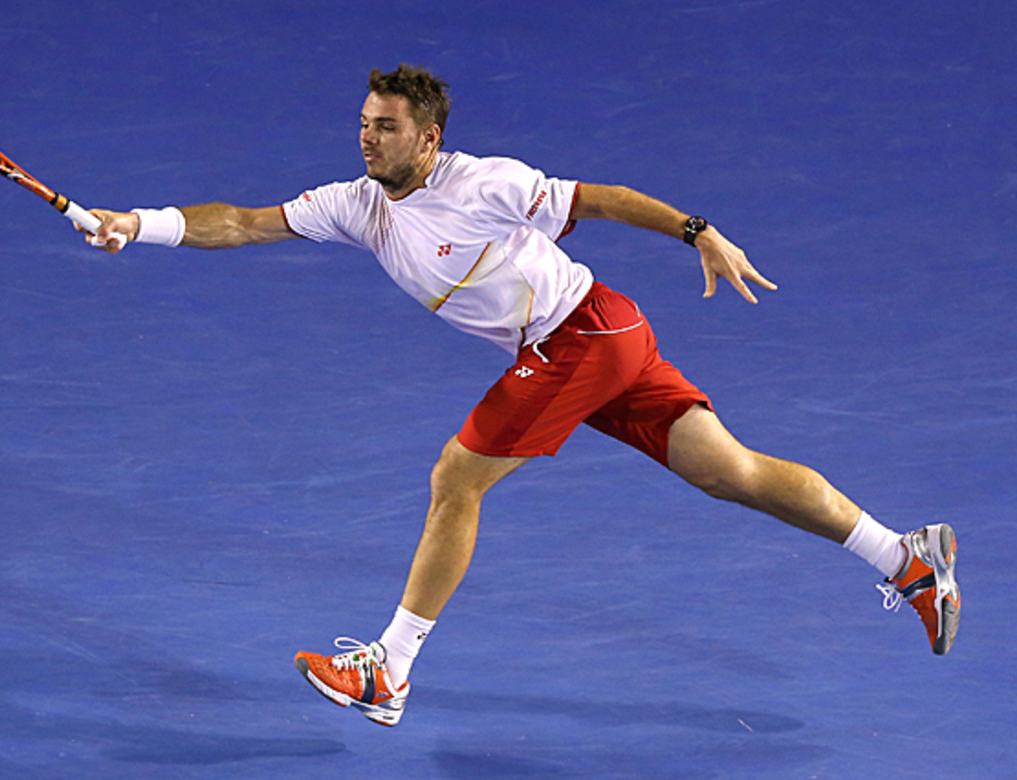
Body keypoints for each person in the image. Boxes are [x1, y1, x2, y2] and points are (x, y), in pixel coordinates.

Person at [84, 64, 961, 727]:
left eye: (385, 128)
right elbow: (241, 221)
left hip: (586, 335)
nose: (367, 140)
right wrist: (139, 224)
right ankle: (907, 558)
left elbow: (603, 199)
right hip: (598, 341)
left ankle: (388, 670)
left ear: (427, 140)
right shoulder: (357, 204)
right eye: (363, 124)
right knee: (729, 472)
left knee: (456, 478)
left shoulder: (484, 182)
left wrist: (698, 231)